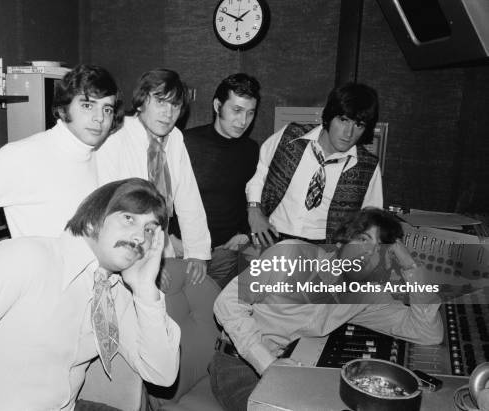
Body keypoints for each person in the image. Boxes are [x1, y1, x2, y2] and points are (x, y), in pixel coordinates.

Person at [0, 178, 181, 411]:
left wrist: (145, 290)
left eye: (150, 229)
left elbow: (162, 374)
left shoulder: (115, 288)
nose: (140, 237)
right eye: (129, 219)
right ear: (93, 220)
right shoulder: (27, 258)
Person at [209, 207, 443, 411]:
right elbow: (226, 303)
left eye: (379, 249)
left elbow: (426, 332)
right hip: (237, 363)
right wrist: (267, 363)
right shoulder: (289, 256)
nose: (368, 252)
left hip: (291, 366)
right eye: (363, 239)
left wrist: (411, 266)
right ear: (341, 242)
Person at [0, 64, 123, 264]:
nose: (99, 118)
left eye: (107, 109)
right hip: (46, 290)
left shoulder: (98, 155)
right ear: (64, 109)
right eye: (87, 105)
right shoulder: (25, 155)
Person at [96, 68, 211, 286]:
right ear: (140, 102)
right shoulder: (116, 136)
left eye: (175, 105)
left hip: (160, 239)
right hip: (120, 247)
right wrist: (144, 263)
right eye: (160, 102)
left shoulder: (175, 138)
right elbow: (109, 211)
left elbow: (188, 196)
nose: (168, 113)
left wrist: (197, 251)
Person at [246, 82, 383, 247]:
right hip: (272, 238)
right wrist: (254, 210)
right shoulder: (290, 136)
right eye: (343, 120)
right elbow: (260, 172)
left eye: (359, 125)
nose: (349, 133)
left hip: (325, 252)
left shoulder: (367, 166)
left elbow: (371, 221)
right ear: (330, 116)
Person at [175, 73, 260, 288]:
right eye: (237, 110)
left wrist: (244, 234)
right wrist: (167, 238)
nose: (243, 121)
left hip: (225, 253)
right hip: (183, 251)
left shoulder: (251, 149)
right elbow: (162, 194)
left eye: (250, 113)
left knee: (216, 315)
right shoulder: (185, 142)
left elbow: (247, 195)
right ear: (217, 106)